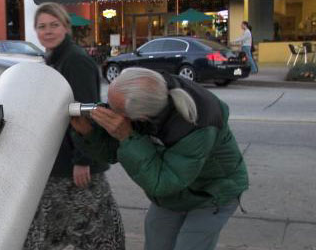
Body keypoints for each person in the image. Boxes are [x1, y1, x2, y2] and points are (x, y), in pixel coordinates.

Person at [71, 67, 249, 250]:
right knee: (157, 243)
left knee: (189, 245)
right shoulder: (146, 92)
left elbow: (163, 183)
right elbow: (113, 152)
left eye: (116, 110)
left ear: (141, 117)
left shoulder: (197, 127)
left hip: (212, 192)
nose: (110, 111)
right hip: (174, 195)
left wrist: (126, 136)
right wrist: (89, 132)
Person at [23, 2, 125, 250]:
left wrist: (83, 160)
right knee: (50, 227)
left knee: (96, 230)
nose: (47, 31)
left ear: (66, 27)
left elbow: (87, 114)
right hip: (58, 163)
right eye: (42, 27)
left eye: (54, 25)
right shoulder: (53, 59)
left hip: (75, 165)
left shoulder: (75, 62)